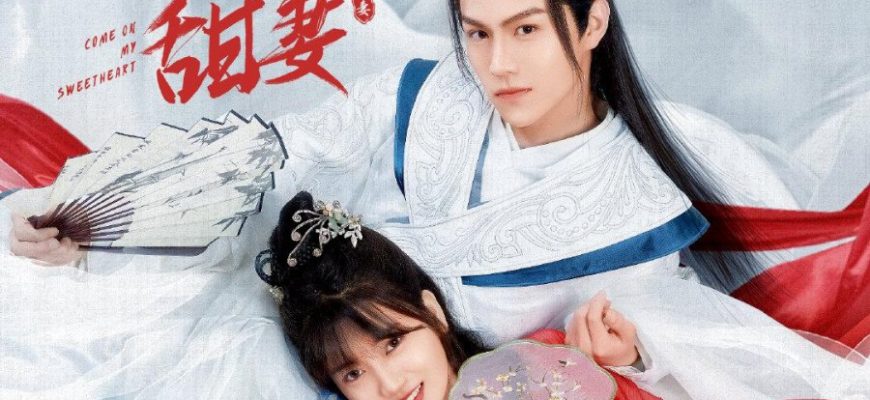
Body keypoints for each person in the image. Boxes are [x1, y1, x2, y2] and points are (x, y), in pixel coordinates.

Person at [4, 0, 867, 397]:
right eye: (477, 32)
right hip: (328, 334)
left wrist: (636, 354)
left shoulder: (633, 205)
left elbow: (691, 343)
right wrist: (113, 220)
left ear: (593, 21)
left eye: (526, 29)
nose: (498, 65)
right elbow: (285, 150)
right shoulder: (420, 98)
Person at [259, 191, 660, 400]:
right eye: (353, 373)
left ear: (432, 311)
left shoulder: (546, 362)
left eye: (393, 343)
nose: (389, 385)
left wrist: (623, 366)